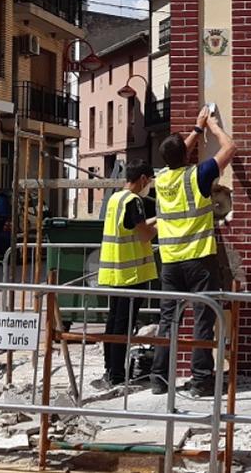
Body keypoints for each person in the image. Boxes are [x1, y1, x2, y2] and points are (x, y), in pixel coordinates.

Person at [149, 105, 236, 397]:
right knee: (203, 318)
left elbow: (176, 154)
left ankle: (158, 379)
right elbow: (230, 148)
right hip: (199, 259)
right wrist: (211, 126)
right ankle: (201, 380)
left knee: (168, 321)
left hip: (170, 262)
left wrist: (195, 130)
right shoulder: (198, 175)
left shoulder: (161, 179)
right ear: (185, 156)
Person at [97, 161, 158, 387]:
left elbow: (133, 226)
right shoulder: (134, 201)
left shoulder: (116, 198)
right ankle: (117, 375)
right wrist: (165, 224)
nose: (149, 185)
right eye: (150, 181)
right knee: (123, 325)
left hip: (116, 272)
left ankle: (109, 368)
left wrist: (156, 220)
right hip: (132, 275)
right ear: (143, 179)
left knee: (114, 323)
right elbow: (144, 235)